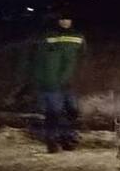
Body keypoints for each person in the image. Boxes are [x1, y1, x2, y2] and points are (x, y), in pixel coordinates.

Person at [31, 11, 86, 153]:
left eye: (67, 18)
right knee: (54, 112)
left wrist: (79, 76)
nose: (65, 22)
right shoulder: (49, 37)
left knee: (72, 111)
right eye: (62, 19)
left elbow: (83, 58)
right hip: (51, 82)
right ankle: (52, 141)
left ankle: (67, 138)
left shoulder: (78, 37)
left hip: (70, 81)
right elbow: (37, 60)